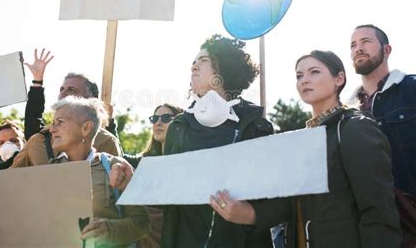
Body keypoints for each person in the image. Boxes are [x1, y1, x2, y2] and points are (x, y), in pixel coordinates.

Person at [211, 50, 402, 248]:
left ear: (339, 79)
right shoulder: (301, 139)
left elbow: (379, 211)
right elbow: (293, 204)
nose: (304, 80)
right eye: (299, 76)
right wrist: (247, 214)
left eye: (314, 72)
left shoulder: (354, 128)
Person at [0, 96, 150, 246]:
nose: (52, 129)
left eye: (60, 122)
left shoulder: (116, 167)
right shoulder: (46, 172)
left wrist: (110, 230)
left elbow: (142, 223)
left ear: (85, 128)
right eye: (52, 123)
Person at [161, 34, 275, 247]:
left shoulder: (255, 126)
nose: (194, 66)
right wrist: (128, 178)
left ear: (224, 69)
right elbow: (162, 186)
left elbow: (275, 199)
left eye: (203, 60)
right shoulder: (178, 127)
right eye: (193, 62)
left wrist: (251, 215)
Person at [11, 49, 122, 168]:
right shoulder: (38, 141)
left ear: (91, 98)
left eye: (72, 90)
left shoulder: (106, 142)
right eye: (61, 89)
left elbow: (117, 183)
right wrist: (37, 82)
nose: (63, 94)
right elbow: (9, 180)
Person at [349, 24, 416, 195]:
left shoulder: (411, 88)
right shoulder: (347, 111)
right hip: (373, 215)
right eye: (353, 45)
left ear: (386, 50)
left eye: (365, 41)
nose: (358, 49)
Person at [119, 103, 182, 248]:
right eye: (155, 118)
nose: (158, 122)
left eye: (166, 118)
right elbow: (117, 157)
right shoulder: (143, 163)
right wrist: (110, 125)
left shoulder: (187, 164)